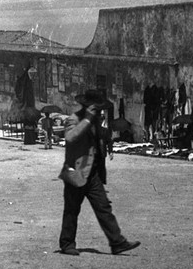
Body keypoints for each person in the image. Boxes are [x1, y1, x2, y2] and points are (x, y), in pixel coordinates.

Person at [57, 91, 139, 257]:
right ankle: (67, 244)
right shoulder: (74, 119)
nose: (100, 113)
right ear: (88, 108)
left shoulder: (96, 123)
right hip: (76, 173)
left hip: (93, 174)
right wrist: (87, 119)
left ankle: (117, 242)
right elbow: (70, 137)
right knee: (72, 210)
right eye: (97, 109)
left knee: (103, 207)